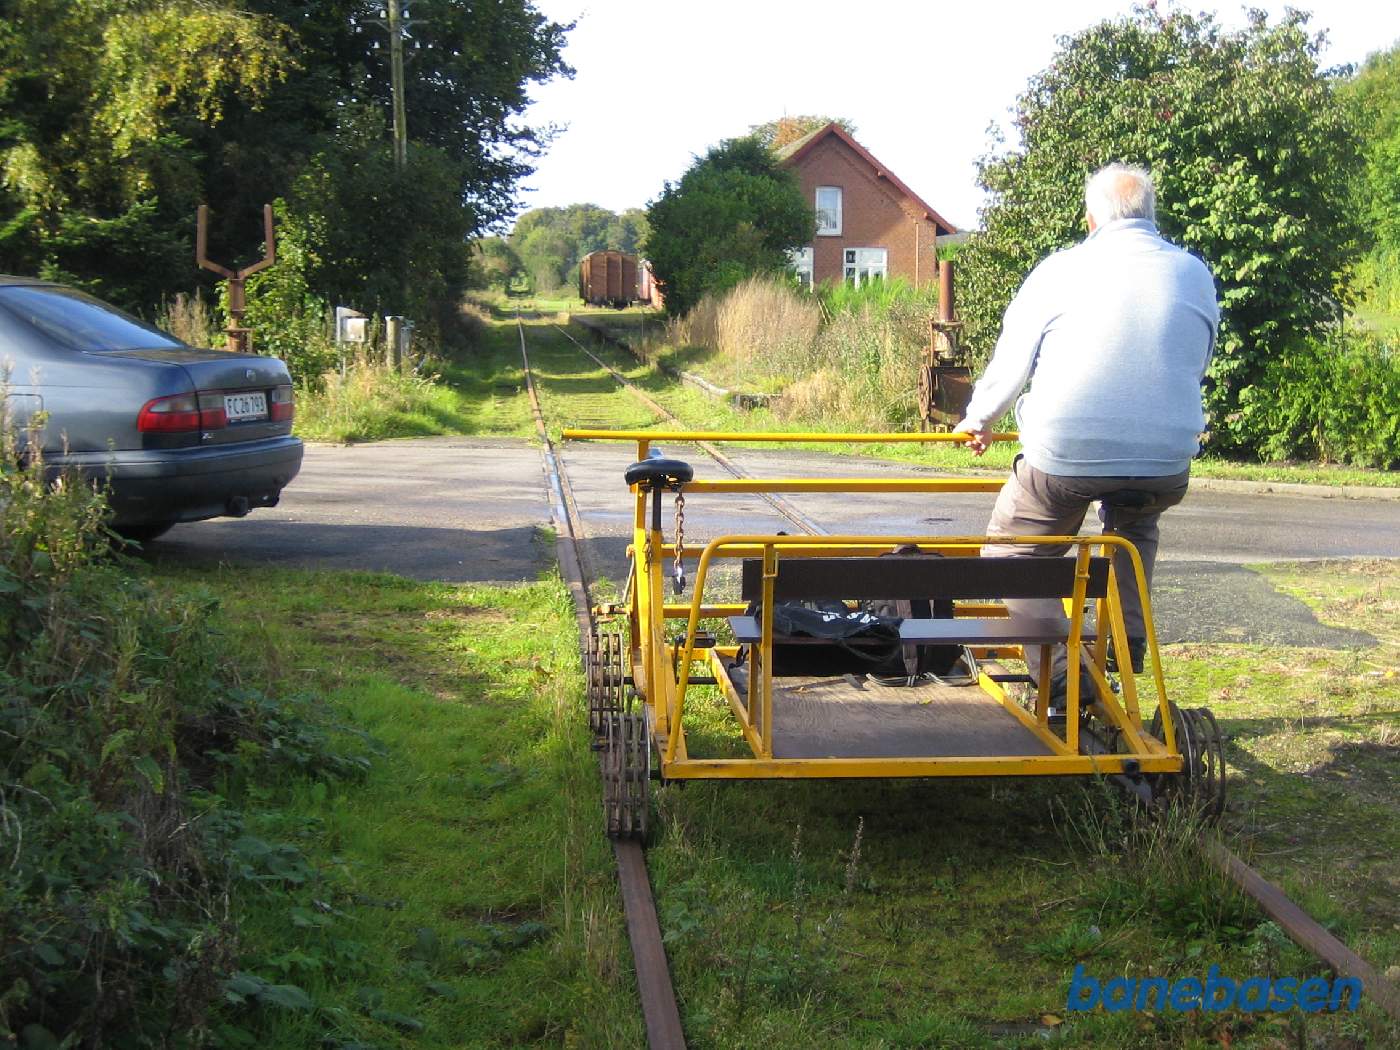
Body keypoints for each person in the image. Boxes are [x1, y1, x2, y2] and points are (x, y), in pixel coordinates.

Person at [955, 162, 1219, 702]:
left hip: (1065, 457)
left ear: (1091, 219)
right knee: (1132, 532)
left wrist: (980, 419)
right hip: (1166, 459)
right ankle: (1125, 646)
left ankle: (1061, 679)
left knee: (1012, 553)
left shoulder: (1060, 270)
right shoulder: (1193, 271)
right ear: (1150, 215)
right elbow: (1197, 357)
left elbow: (1013, 363)